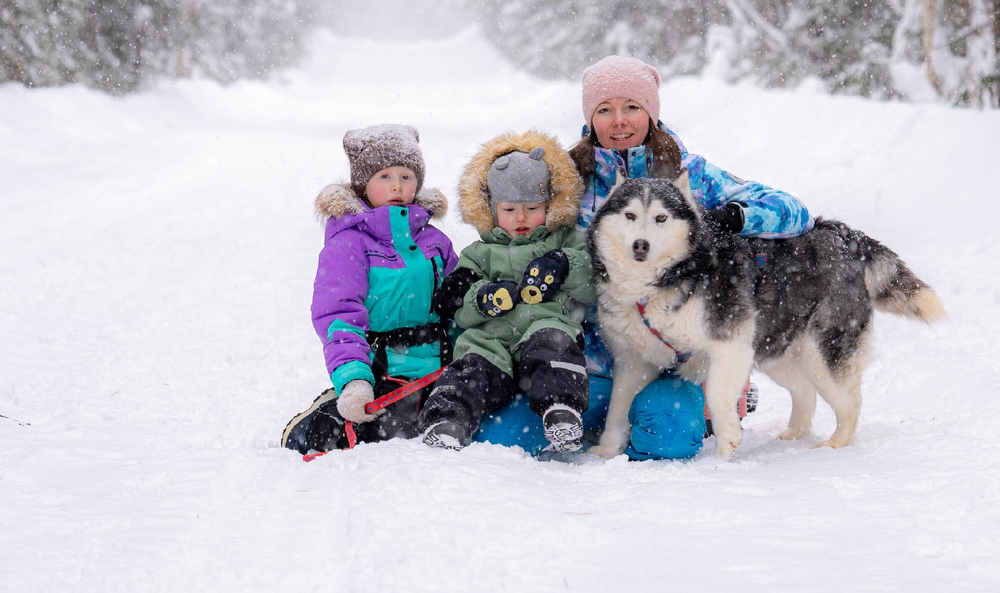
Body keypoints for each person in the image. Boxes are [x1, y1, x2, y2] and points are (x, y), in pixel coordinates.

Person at [478, 55, 814, 460]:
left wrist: (731, 217)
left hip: (680, 357)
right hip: (588, 362)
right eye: (605, 110)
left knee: (667, 437)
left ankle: (708, 404)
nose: (619, 120)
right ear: (591, 119)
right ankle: (607, 418)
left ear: (651, 114)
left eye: (632, 107)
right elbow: (508, 231)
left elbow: (793, 211)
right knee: (503, 439)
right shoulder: (568, 180)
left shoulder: (689, 174)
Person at [281, 124, 458, 456]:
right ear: (364, 184)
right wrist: (355, 380)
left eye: (406, 176)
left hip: (442, 367)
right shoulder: (348, 244)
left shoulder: (435, 241)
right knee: (394, 437)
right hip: (384, 372)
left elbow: (459, 306)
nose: (397, 186)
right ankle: (328, 413)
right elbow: (339, 317)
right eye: (385, 176)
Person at [418, 131, 594, 453]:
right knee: (470, 367)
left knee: (555, 348)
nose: (521, 219)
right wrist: (482, 297)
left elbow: (593, 279)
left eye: (532, 207)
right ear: (491, 209)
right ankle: (447, 422)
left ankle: (562, 411)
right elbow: (456, 301)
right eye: (510, 210)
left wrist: (563, 264)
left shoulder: (562, 240)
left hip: (544, 323)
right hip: (491, 337)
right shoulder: (478, 253)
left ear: (550, 204)